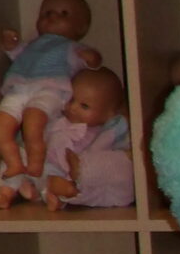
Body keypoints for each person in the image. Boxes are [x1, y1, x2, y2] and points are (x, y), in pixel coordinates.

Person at [0, 0, 100, 202]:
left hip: (50, 89)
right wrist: (10, 44)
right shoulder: (32, 46)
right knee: (0, 127)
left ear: (81, 27)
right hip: (19, 89)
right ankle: (14, 163)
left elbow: (93, 63)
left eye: (63, 14)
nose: (52, 16)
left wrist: (92, 57)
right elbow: (15, 52)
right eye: (46, 13)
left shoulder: (71, 48)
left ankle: (36, 160)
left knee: (33, 121)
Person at [42, 65, 132, 211]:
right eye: (71, 99)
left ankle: (68, 191)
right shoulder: (59, 122)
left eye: (84, 106)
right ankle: (56, 193)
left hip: (94, 183)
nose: (73, 108)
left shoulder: (106, 133)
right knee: (46, 176)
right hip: (57, 172)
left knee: (115, 178)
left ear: (109, 114)